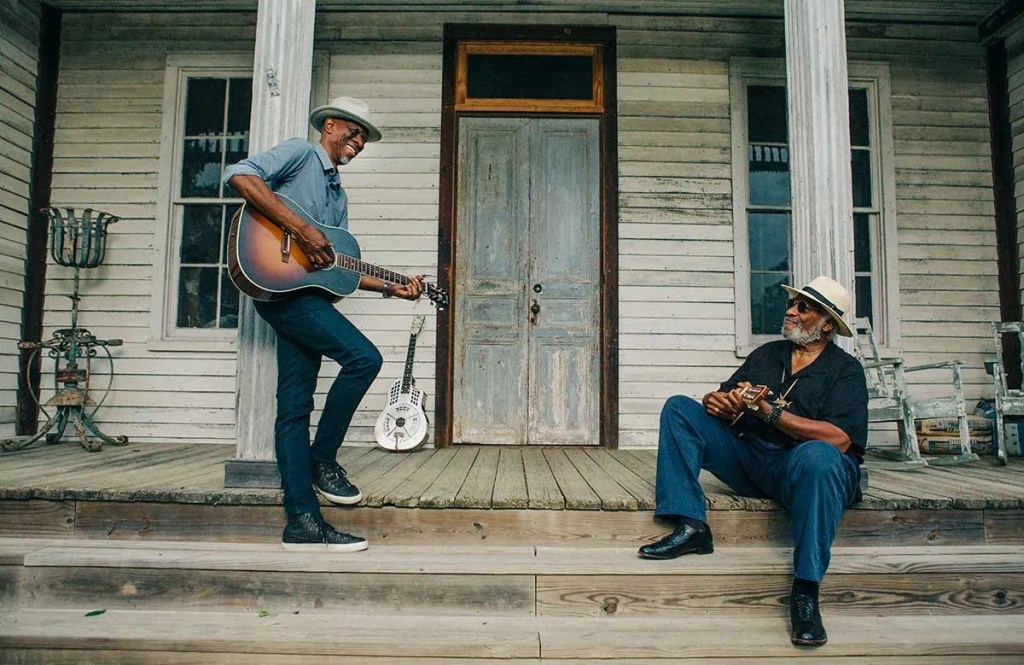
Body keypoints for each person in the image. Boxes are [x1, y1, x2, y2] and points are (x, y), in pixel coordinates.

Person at [224, 96, 423, 553]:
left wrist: (394, 287)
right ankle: (322, 461)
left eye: (363, 138)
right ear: (329, 125)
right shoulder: (299, 153)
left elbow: (337, 267)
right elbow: (240, 174)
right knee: (363, 358)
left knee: (293, 407)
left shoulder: (338, 195)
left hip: (305, 295)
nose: (357, 142)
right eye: (352, 131)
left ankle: (302, 521)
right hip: (281, 294)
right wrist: (305, 231)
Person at [638, 275, 867, 647]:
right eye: (792, 304)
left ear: (827, 324)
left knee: (820, 455)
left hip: (805, 471)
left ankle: (806, 592)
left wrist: (769, 412)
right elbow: (726, 395)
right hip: (755, 459)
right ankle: (691, 525)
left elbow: (840, 438)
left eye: (803, 307)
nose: (791, 310)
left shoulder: (845, 371)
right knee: (680, 408)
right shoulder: (767, 355)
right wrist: (717, 401)